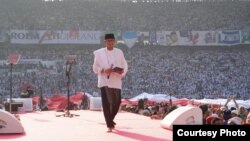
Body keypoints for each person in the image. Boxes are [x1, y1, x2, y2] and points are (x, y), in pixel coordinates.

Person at [93, 33, 128, 132]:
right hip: (104, 81)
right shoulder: (99, 53)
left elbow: (125, 64)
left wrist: (122, 71)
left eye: (112, 41)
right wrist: (104, 70)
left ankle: (110, 120)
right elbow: (95, 68)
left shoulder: (119, 52)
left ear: (114, 41)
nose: (110, 42)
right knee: (106, 104)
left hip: (116, 80)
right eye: (108, 41)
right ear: (105, 42)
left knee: (117, 103)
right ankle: (109, 125)